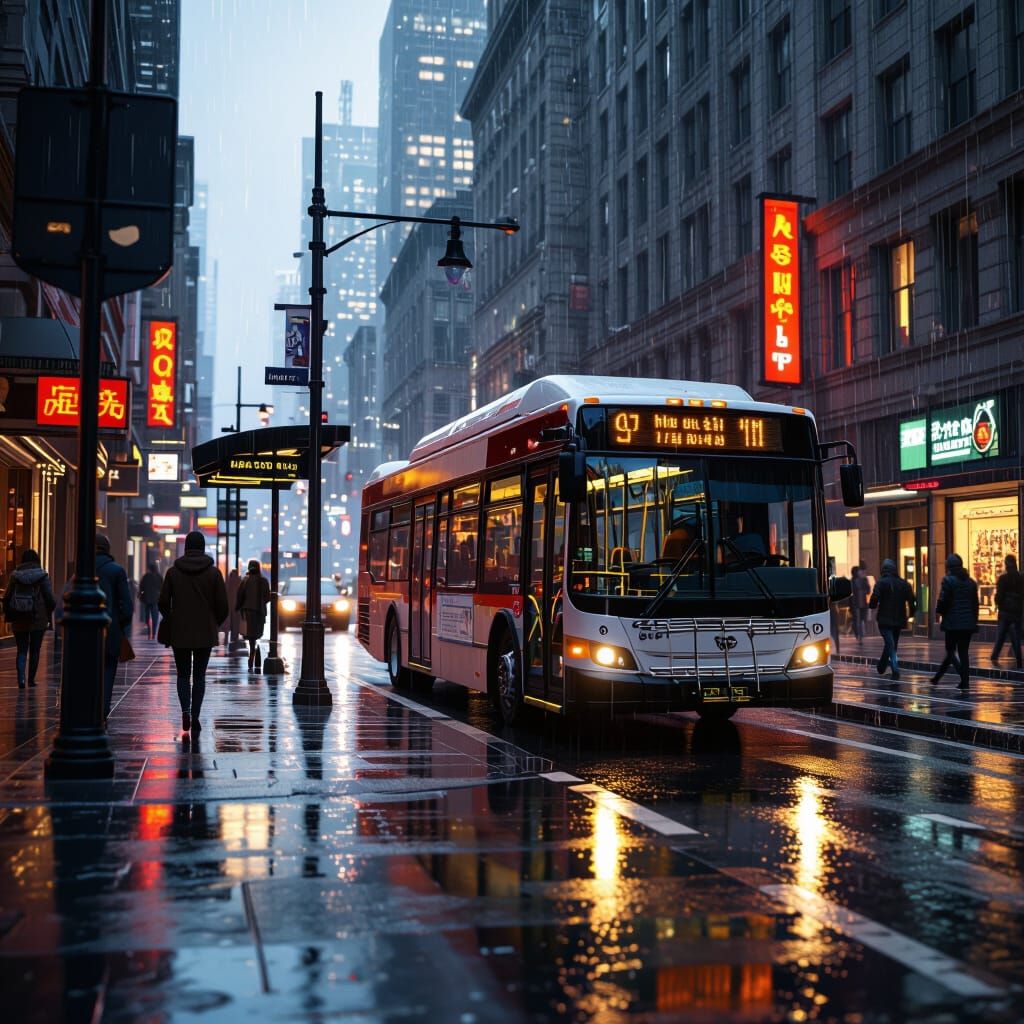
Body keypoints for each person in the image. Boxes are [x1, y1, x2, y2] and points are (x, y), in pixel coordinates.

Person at [159, 531, 228, 735]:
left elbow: (163, 602)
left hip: (180, 631)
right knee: (199, 676)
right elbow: (223, 606)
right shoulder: (214, 573)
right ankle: (196, 716)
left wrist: (172, 617)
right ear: (203, 547)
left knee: (182, 674)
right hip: (204, 633)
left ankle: (185, 710)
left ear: (186, 547)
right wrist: (212, 622)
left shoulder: (173, 572)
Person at [2, 549, 56, 688]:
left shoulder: (15, 576)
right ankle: (31, 679)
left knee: (21, 649)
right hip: (38, 618)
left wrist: (9, 613)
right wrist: (49, 611)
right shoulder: (42, 576)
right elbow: (49, 597)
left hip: (19, 616)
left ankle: (21, 679)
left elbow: (7, 596)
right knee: (35, 650)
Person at [96, 534, 134, 717]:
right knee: (108, 671)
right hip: (109, 630)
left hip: (83, 632)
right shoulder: (116, 571)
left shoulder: (81, 569)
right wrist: (121, 625)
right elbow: (127, 607)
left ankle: (86, 710)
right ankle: (103, 712)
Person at [932, 553, 980, 690]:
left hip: (953, 624)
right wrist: (974, 621)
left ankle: (964, 678)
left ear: (949, 567)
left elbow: (943, 600)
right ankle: (938, 678)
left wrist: (939, 611)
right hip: (967, 624)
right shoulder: (971, 582)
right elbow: (975, 604)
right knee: (963, 653)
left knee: (950, 651)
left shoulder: (948, 580)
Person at [868, 558, 916, 680]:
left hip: (884, 619)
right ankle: (881, 666)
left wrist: (872, 605)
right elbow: (912, 600)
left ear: (883, 570)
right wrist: (912, 614)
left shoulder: (881, 582)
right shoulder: (904, 584)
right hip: (899, 619)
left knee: (890, 644)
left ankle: (895, 669)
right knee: (891, 644)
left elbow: (875, 598)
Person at [237, 559, 270, 671]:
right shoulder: (263, 580)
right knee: (257, 634)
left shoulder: (245, 580)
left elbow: (240, 596)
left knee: (250, 635)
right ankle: (254, 652)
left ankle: (252, 653)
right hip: (259, 611)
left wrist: (238, 607)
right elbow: (267, 597)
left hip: (247, 611)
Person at [991, 554, 1023, 668]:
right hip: (1017, 612)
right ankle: (1019, 660)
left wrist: (998, 603)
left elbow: (999, 595)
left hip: (1005, 612)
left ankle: (994, 657)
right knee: (1016, 638)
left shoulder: (1003, 578)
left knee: (1001, 636)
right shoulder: (1021, 578)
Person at [139, 562, 162, 639]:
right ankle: (154, 633)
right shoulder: (159, 577)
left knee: (147, 616)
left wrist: (141, 594)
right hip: (155, 599)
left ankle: (149, 632)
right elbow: (162, 587)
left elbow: (141, 586)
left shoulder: (146, 576)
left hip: (147, 599)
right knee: (155, 617)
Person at [850, 564, 870, 642]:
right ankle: (858, 635)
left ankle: (861, 636)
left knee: (862, 620)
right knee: (856, 620)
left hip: (863, 603)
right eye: (858, 571)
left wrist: (865, 584)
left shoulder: (864, 580)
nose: (860, 572)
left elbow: (868, 591)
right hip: (855, 603)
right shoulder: (851, 581)